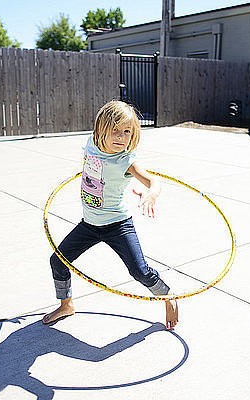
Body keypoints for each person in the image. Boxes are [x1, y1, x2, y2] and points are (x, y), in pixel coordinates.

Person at [43, 100, 179, 330]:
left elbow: (153, 180)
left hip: (118, 225)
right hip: (89, 225)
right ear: (100, 130)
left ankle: (167, 295)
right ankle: (67, 305)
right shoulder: (90, 145)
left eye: (127, 131)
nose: (121, 137)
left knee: (139, 271)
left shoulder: (126, 161)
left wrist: (151, 193)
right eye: (114, 130)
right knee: (57, 260)